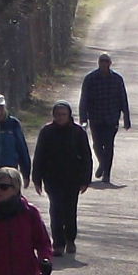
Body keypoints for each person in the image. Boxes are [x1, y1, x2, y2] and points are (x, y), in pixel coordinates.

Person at [31, 100, 94, 255]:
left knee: (70, 211)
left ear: (69, 115)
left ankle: (70, 239)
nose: (60, 117)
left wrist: (85, 179)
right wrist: (37, 179)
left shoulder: (78, 132)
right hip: (52, 178)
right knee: (56, 210)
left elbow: (86, 157)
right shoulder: (47, 132)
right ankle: (58, 243)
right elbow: (39, 156)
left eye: (63, 114)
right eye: (57, 114)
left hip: (72, 179)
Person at [78, 53, 131, 185]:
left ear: (110, 63)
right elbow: (84, 99)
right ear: (98, 63)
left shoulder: (117, 79)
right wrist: (83, 118)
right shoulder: (90, 79)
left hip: (111, 118)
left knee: (109, 145)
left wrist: (126, 118)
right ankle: (103, 163)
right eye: (101, 61)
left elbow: (123, 99)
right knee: (97, 144)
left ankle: (106, 174)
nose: (104, 64)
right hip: (95, 117)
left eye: (106, 61)